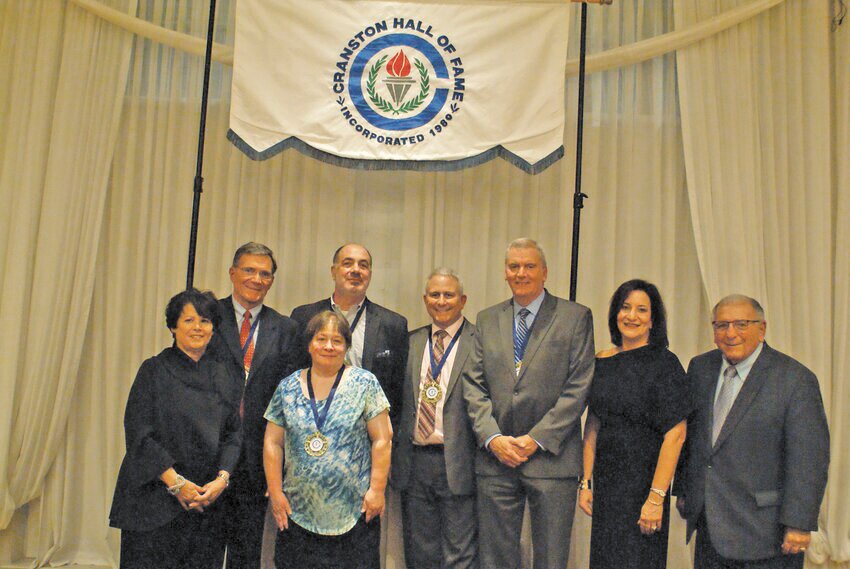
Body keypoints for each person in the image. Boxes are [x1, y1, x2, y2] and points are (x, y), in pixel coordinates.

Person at [463, 238, 595, 569]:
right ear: (505, 273)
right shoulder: (487, 319)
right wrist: (493, 439)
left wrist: (535, 439)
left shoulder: (575, 317)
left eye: (529, 266)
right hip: (496, 460)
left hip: (553, 459)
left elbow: (578, 388)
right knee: (495, 559)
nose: (521, 273)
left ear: (545, 272)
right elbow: (473, 385)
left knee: (551, 558)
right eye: (514, 267)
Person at [676, 294, 829, 569]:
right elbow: (692, 438)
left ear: (762, 329)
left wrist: (799, 523)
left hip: (767, 534)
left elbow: (809, 459)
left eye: (741, 324)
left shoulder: (795, 380)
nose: (730, 333)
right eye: (721, 325)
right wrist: (686, 491)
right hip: (709, 526)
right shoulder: (700, 368)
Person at [109, 289, 241, 569]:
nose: (197, 327)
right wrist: (177, 484)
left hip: (206, 499)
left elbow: (233, 434)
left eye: (205, 321)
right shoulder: (153, 370)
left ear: (214, 328)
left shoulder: (225, 374)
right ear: (172, 326)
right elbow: (139, 434)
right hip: (155, 498)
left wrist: (222, 480)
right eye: (188, 320)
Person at [263, 311, 393, 569]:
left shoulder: (365, 383)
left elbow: (383, 439)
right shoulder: (287, 387)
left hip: (355, 513)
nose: (329, 346)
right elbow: (272, 443)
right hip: (297, 513)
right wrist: (276, 493)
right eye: (322, 339)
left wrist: (377, 491)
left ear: (346, 346)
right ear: (309, 344)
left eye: (337, 340)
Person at [577, 279, 690, 569]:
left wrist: (656, 498)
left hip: (645, 487)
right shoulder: (601, 360)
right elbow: (593, 423)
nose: (632, 316)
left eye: (642, 310)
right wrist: (586, 482)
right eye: (625, 307)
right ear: (615, 313)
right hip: (607, 486)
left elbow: (675, 435)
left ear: (653, 320)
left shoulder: (666, 364)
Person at [206, 242, 299, 568]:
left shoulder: (285, 328)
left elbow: (288, 395)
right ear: (233, 273)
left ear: (272, 280)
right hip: (207, 448)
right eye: (249, 270)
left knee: (246, 549)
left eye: (264, 273)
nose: (256, 279)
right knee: (203, 545)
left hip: (256, 456)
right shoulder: (206, 316)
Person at [392, 268, 478, 569]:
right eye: (435, 295)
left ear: (463, 300)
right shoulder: (411, 341)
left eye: (449, 295)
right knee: (419, 552)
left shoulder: (480, 341)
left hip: (460, 461)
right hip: (414, 462)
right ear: (425, 299)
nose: (441, 301)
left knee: (460, 554)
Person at [290, 243, 408, 429]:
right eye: (348, 263)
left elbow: (398, 392)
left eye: (363, 265)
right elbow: (293, 378)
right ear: (333, 271)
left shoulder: (393, 325)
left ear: (370, 273)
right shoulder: (303, 317)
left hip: (367, 434)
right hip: (312, 429)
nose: (356, 270)